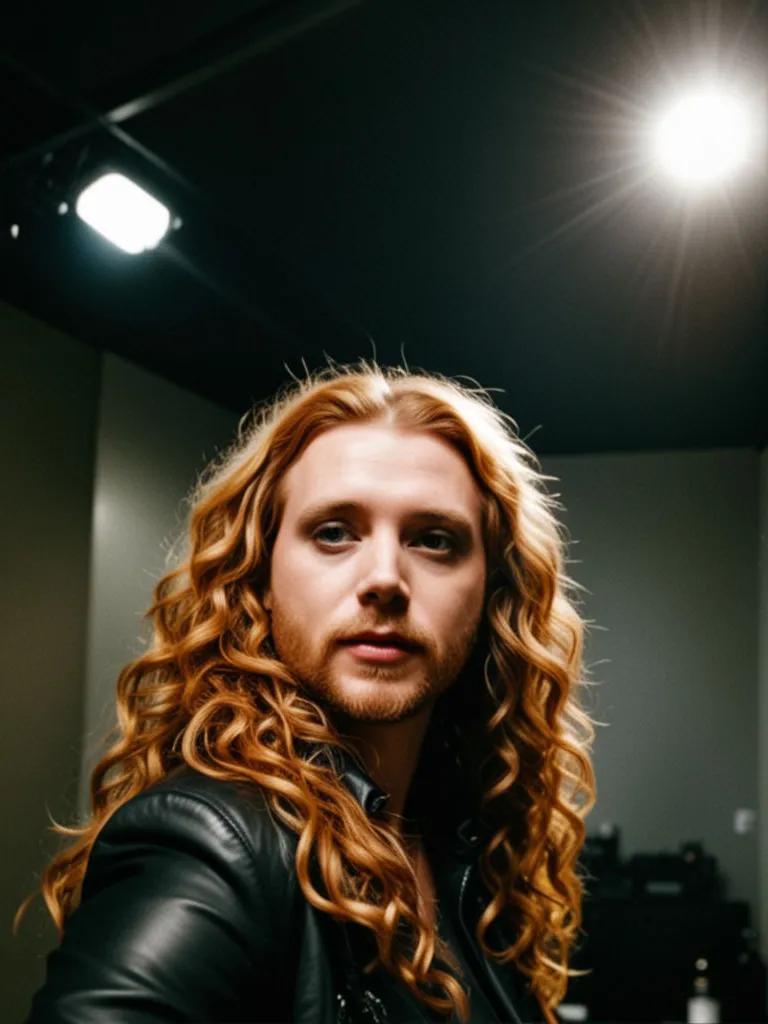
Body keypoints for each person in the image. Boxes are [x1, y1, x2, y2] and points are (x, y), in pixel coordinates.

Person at [17, 361, 597, 1024]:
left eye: (434, 540)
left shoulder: (466, 847)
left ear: (493, 592)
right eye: (334, 532)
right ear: (260, 576)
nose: (384, 578)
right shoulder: (213, 841)